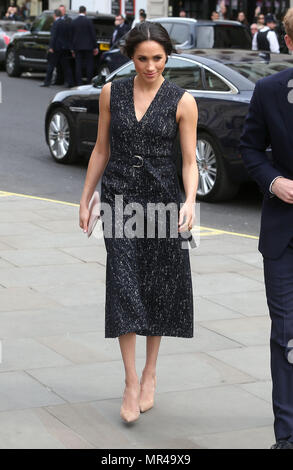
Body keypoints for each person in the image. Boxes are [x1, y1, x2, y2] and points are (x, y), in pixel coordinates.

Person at [79, 21, 198, 423]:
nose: (150, 66)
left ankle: (150, 373)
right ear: (130, 56)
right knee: (124, 285)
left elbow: (189, 162)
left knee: (159, 286)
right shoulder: (112, 92)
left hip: (164, 203)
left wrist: (191, 201)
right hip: (120, 199)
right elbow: (100, 149)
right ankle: (130, 381)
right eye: (142, 58)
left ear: (168, 56)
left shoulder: (183, 101)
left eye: (158, 59)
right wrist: (86, 197)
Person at [240, 6, 293, 450]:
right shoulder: (270, 91)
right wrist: (274, 181)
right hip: (284, 238)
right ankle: (288, 436)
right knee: (286, 334)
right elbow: (249, 147)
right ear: (290, 42)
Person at [40, 9, 74, 87]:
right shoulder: (65, 23)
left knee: (51, 65)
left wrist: (51, 47)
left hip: (56, 48)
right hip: (64, 48)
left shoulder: (55, 23)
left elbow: (54, 36)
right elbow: (68, 35)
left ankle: (47, 82)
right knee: (66, 66)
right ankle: (70, 82)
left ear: (55, 15)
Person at [71, 6, 98, 86]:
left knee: (78, 65)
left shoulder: (74, 21)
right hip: (88, 47)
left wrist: (72, 49)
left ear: (79, 12)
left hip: (77, 47)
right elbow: (93, 35)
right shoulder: (89, 21)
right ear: (85, 12)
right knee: (89, 64)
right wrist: (95, 47)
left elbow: (71, 36)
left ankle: (79, 82)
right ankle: (88, 82)